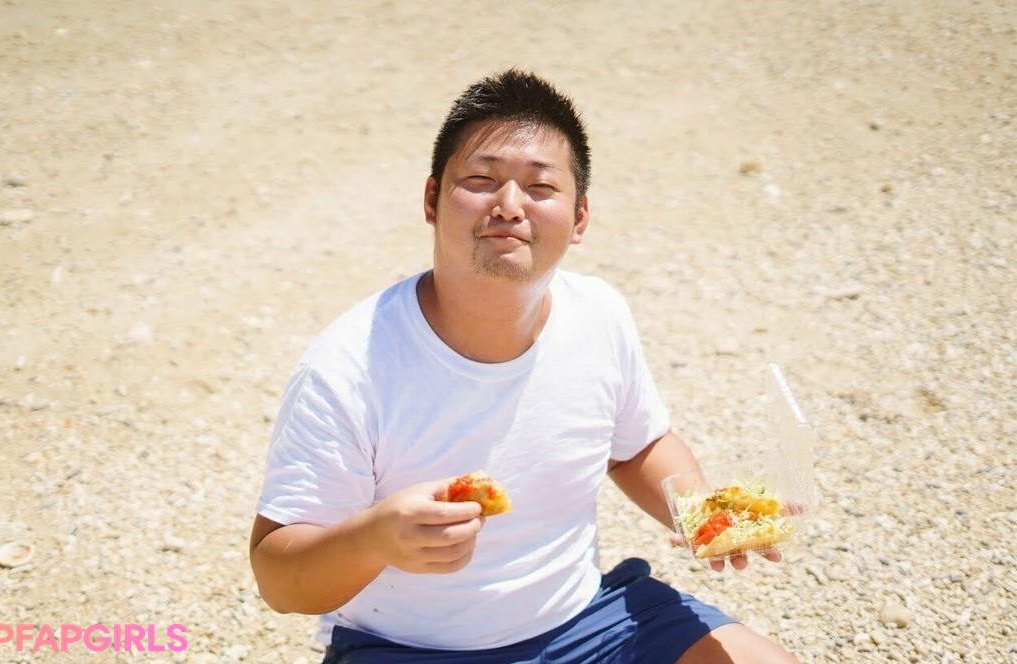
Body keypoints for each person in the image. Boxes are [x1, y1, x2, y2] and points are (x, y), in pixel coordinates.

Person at [249, 69, 800, 663]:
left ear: (580, 218)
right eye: (480, 180)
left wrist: (703, 513)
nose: (509, 206)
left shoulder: (599, 315)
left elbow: (636, 447)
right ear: (432, 200)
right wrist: (375, 538)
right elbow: (278, 580)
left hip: (587, 621)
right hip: (408, 648)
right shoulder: (348, 366)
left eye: (540, 187)